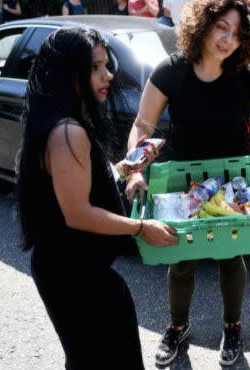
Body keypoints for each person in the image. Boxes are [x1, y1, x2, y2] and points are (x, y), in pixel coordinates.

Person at [125, 0, 250, 366]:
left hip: (231, 184)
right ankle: (178, 327)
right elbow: (143, 123)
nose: (228, 39)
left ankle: (233, 325)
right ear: (203, 25)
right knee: (181, 258)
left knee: (230, 256)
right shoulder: (171, 71)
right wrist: (136, 169)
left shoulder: (245, 77)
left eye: (238, 33)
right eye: (221, 27)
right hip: (181, 181)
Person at [15, 27, 178, 368]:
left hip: (66, 268)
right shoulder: (68, 132)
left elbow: (75, 187)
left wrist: (125, 171)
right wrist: (140, 227)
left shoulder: (59, 123)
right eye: (95, 67)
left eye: (106, 65)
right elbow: (77, 212)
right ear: (68, 73)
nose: (108, 75)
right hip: (76, 276)